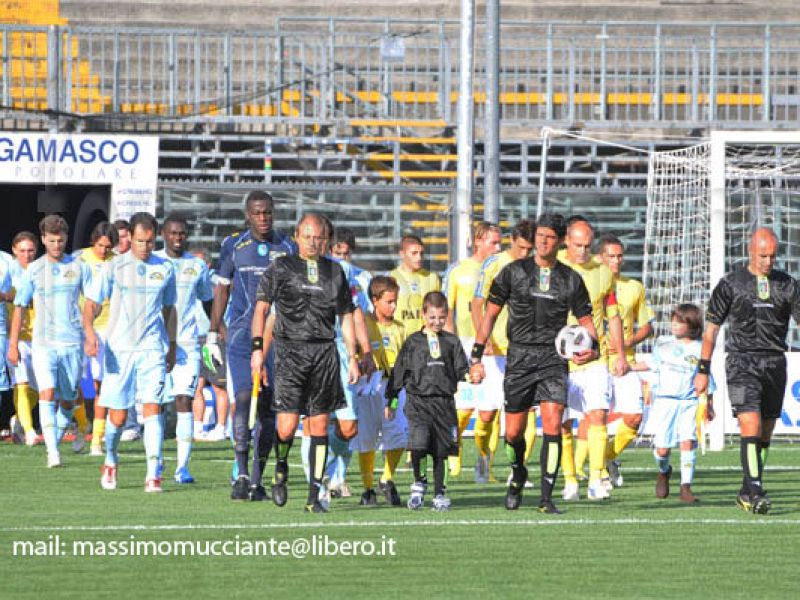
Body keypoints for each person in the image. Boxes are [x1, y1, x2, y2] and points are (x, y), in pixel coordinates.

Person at [470, 213, 597, 514]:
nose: (542, 241)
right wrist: (476, 354)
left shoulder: (571, 278)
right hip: (519, 357)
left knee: (552, 423)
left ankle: (546, 498)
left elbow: (587, 322)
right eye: (540, 235)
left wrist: (593, 348)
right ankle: (518, 474)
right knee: (513, 433)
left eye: (550, 237)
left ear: (561, 241)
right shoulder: (513, 272)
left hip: (554, 358)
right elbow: (489, 314)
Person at [251, 213, 359, 513]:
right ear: (297, 236)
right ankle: (281, 464)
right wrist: (258, 350)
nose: (314, 242)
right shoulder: (281, 267)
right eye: (308, 236)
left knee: (320, 424)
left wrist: (352, 356)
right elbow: (261, 310)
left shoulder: (335, 271)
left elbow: (347, 316)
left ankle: (315, 493)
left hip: (324, 354)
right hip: (290, 353)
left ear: (326, 240)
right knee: (285, 428)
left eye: (319, 237)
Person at [694, 227, 800, 514]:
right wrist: (703, 369)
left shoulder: (788, 284)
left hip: (775, 362)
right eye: (763, 255)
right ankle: (755, 491)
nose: (768, 261)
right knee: (749, 423)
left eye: (773, 256)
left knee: (765, 431)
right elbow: (712, 329)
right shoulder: (731, 283)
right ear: (751, 252)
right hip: (742, 361)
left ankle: (746, 489)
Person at [204, 191, 296, 501]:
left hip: (278, 341)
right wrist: (213, 333)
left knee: (270, 410)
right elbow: (221, 291)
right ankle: (240, 473)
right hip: (242, 336)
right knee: (243, 399)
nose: (263, 218)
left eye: (268, 212)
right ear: (248, 215)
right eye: (257, 213)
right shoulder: (233, 245)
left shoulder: (287, 247)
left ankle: (257, 479)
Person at [83, 212, 177, 492]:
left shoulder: (165, 268)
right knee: (119, 417)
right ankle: (110, 460)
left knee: (152, 408)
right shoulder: (114, 267)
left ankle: (153, 473)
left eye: (149, 242)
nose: (144, 247)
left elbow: (169, 309)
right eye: (139, 241)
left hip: (151, 348)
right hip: (119, 349)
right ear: (130, 239)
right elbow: (92, 304)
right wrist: (89, 333)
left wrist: (171, 345)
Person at [8, 215, 92, 468]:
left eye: (61, 240)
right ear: (44, 239)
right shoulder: (34, 270)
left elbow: (91, 302)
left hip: (72, 343)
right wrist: (13, 345)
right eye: (52, 240)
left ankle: (57, 434)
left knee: (68, 398)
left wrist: (89, 332)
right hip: (43, 343)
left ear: (66, 238)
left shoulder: (79, 267)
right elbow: (20, 306)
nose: (57, 244)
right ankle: (53, 453)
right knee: (47, 392)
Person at [559, 219, 628, 501]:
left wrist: (619, 354)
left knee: (598, 413)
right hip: (558, 359)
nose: (582, 251)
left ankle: (597, 478)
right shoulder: (554, 269)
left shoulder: (602, 273)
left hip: (595, 359)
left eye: (588, 246)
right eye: (577, 245)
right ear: (566, 240)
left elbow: (612, 315)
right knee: (561, 423)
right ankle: (570, 480)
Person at [386, 291, 469, 512]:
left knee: (441, 451)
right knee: (419, 444)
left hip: (444, 403)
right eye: (432, 317)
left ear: (446, 316)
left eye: (441, 317)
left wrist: (471, 375)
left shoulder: (452, 342)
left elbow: (462, 368)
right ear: (423, 315)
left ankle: (440, 492)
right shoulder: (413, 342)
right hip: (418, 402)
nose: (436, 322)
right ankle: (419, 483)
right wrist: (391, 402)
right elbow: (399, 373)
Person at [470, 220, 536, 484]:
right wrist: (482, 340)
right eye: (521, 248)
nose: (525, 254)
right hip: (495, 349)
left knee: (527, 412)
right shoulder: (494, 264)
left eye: (530, 249)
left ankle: (517, 468)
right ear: (512, 241)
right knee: (488, 413)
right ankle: (483, 456)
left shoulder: (538, 266)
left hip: (526, 349)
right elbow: (477, 304)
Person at [632, 304, 714, 503]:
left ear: (692, 325)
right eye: (673, 320)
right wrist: (630, 368)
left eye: (680, 321)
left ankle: (686, 487)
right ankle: (664, 471)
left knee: (688, 441)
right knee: (662, 449)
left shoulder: (700, 348)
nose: (674, 324)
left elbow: (707, 377)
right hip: (665, 402)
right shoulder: (663, 344)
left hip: (689, 402)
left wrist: (709, 404)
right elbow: (652, 363)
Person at [155, 215, 214, 483]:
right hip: (155, 343)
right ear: (163, 234)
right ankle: (154, 462)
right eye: (173, 233)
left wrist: (217, 328)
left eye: (182, 234)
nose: (177, 238)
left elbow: (207, 300)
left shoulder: (196, 265)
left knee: (184, 399)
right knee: (154, 403)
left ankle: (182, 467)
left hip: (188, 343)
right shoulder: (152, 262)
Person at [443, 221, 501, 478]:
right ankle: (453, 453)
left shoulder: (502, 268)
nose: (498, 247)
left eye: (500, 242)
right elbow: (447, 310)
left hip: (495, 346)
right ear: (478, 241)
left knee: (489, 411)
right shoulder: (458, 270)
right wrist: (451, 343)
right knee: (463, 407)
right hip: (466, 342)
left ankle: (483, 461)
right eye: (493, 242)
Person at [597, 234, 654, 487]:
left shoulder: (634, 287)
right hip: (595, 362)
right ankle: (593, 473)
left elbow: (647, 326)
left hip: (625, 361)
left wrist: (626, 343)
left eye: (620, 256)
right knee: (594, 420)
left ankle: (606, 459)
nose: (616, 261)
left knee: (634, 417)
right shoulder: (590, 283)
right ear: (600, 257)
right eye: (611, 256)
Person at [350, 275, 407, 506]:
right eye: (389, 301)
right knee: (367, 438)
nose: (393, 306)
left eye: (395, 301)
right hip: (367, 388)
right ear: (374, 300)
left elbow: (404, 362)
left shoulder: (400, 328)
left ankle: (387, 478)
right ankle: (367, 489)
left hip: (393, 389)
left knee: (398, 434)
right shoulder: (363, 322)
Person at [74, 222, 119, 456]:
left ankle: (97, 440)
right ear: (93, 241)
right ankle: (83, 425)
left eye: (108, 247)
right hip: (80, 328)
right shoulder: (79, 259)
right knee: (75, 383)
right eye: (100, 246)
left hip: (108, 329)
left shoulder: (118, 262)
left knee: (102, 384)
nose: (104, 251)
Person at [6, 232, 39, 446]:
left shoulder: (42, 270)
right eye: (22, 250)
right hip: (16, 337)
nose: (26, 255)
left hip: (41, 337)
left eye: (30, 251)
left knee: (39, 390)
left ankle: (18, 420)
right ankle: (29, 432)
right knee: (22, 383)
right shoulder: (8, 273)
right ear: (14, 251)